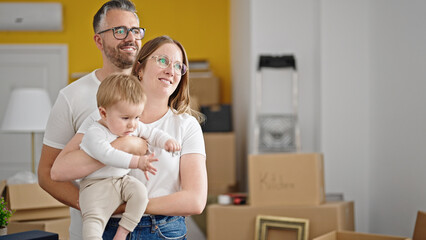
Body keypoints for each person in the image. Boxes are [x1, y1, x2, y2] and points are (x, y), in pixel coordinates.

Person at [51, 35, 207, 240]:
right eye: (163, 60)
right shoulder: (104, 116)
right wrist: (125, 144)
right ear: (139, 69)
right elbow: (59, 171)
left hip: (163, 231)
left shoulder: (187, 125)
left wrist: (130, 206)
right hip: (108, 228)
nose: (171, 70)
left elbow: (194, 201)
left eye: (179, 66)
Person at [38, 1, 147, 239]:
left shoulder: (154, 89)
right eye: (120, 30)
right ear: (99, 40)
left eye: (135, 30)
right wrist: (92, 205)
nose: (131, 38)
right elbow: (47, 173)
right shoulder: (72, 96)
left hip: (152, 228)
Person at [79, 73, 181, 240]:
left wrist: (166, 141)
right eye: (125, 118)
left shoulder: (132, 126)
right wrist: (137, 161)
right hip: (94, 187)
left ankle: (122, 232)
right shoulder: (94, 133)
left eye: (137, 117)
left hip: (121, 181)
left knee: (141, 194)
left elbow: (151, 133)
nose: (133, 124)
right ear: (103, 113)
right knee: (93, 223)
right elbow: (107, 155)